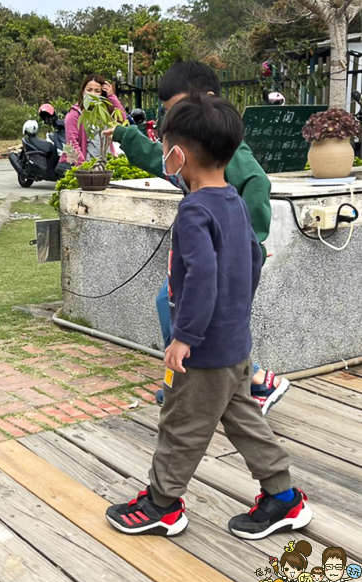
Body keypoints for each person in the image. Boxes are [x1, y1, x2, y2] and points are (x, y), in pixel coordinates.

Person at [105, 94, 311, 540]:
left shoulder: (195, 211)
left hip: (203, 348)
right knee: (244, 419)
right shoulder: (234, 201)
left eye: (164, 148)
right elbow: (253, 260)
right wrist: (233, 319)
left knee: (180, 425)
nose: (163, 157)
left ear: (178, 155)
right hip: (235, 343)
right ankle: (284, 498)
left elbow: (201, 277)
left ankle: (162, 504)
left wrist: (185, 335)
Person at [108, 61, 289, 413]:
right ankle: (214, 381)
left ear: (204, 101)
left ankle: (250, 381)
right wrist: (125, 136)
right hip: (209, 248)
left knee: (196, 310)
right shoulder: (188, 150)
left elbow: (258, 183)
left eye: (174, 110)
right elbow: (162, 161)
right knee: (174, 304)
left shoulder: (230, 152)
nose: (169, 122)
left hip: (225, 255)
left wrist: (249, 241)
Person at [64, 74, 127, 166]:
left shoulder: (104, 111)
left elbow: (122, 119)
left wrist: (111, 96)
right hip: (88, 165)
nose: (92, 94)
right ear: (83, 91)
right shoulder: (75, 114)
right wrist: (83, 167)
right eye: (89, 90)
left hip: (107, 163)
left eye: (97, 91)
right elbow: (72, 144)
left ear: (102, 93)